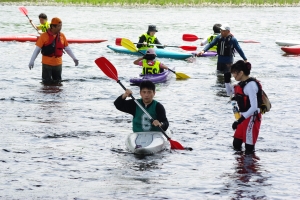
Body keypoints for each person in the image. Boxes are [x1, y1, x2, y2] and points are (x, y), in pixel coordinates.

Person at [224, 60, 262, 154]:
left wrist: (238, 121)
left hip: (252, 118)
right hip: (243, 117)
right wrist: (227, 81)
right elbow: (229, 93)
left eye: (234, 73)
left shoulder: (251, 85)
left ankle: (250, 166)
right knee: (236, 143)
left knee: (249, 148)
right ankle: (240, 166)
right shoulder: (241, 84)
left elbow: (254, 107)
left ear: (241, 72)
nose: (233, 76)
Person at [28, 17, 79, 84]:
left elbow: (67, 48)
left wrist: (74, 58)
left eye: (61, 26)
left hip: (58, 64)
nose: (60, 28)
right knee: (46, 84)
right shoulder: (44, 36)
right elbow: (37, 49)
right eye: (58, 26)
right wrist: (32, 61)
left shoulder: (62, 35)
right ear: (53, 27)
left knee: (58, 83)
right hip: (47, 64)